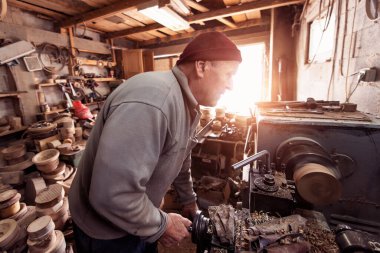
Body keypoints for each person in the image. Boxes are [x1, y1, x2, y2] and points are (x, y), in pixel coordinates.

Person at [68, 31, 242, 253]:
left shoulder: (188, 104)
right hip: (108, 233)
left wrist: (188, 200)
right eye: (229, 74)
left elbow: (180, 155)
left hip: (140, 219)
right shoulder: (153, 101)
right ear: (201, 67)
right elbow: (112, 194)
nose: (231, 86)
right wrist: (163, 224)